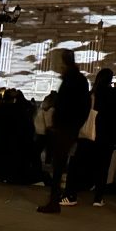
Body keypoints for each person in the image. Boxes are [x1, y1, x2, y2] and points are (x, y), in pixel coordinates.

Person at [37, 49, 90, 214]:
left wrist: (66, 124)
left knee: (59, 165)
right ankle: (55, 199)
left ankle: (55, 201)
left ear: (64, 62)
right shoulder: (78, 79)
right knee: (59, 165)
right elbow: (85, 106)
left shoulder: (72, 79)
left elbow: (72, 105)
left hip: (65, 128)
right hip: (68, 127)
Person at [86, 67, 116, 207]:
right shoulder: (114, 93)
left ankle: (86, 186)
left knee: (91, 162)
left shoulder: (93, 93)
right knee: (103, 165)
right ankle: (98, 197)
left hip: (92, 132)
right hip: (107, 134)